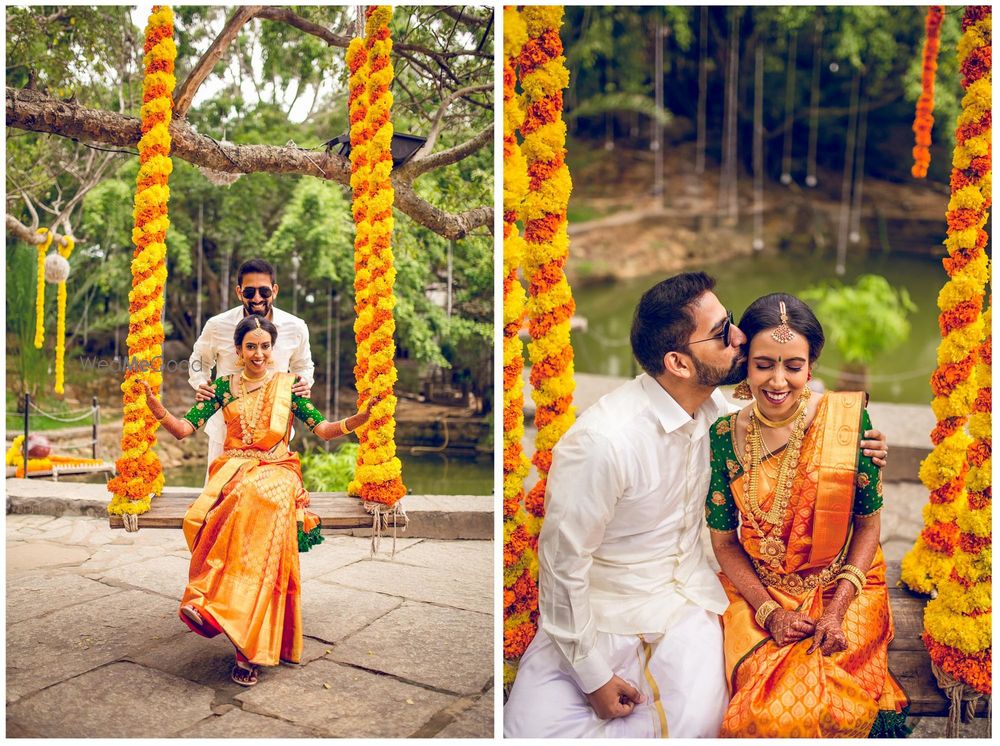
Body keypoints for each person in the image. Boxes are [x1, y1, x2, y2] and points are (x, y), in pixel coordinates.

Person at [503, 273, 888, 737]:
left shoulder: (719, 416)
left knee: (700, 725)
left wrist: (854, 440)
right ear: (679, 363)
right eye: (724, 331)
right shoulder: (603, 443)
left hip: (687, 609)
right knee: (529, 730)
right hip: (600, 617)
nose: (740, 337)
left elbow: (793, 405)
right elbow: (562, 565)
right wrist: (592, 676)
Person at [706, 293, 909, 737]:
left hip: (842, 587)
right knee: (761, 706)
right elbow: (723, 542)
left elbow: (868, 527)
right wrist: (767, 611)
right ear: (745, 364)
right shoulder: (723, 435)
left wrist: (835, 612)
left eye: (793, 366)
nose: (778, 380)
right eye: (764, 364)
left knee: (829, 701)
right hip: (757, 594)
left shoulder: (845, 422)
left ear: (810, 367)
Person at [141, 314, 372, 686]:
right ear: (238, 351)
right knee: (234, 499)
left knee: (256, 496)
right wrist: (157, 409)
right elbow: (184, 430)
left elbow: (325, 431)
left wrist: (358, 419)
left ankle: (237, 632)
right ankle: (215, 605)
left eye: (265, 346)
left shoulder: (288, 386)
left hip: (278, 470)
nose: (259, 353)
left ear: (273, 349)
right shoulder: (222, 387)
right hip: (233, 472)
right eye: (251, 346)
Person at [189, 258, 315, 474]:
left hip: (274, 435)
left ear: (274, 290)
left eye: (264, 291)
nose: (257, 298)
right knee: (217, 499)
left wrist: (303, 382)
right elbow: (199, 359)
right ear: (239, 292)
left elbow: (303, 365)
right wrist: (201, 382)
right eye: (249, 292)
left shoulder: (296, 327)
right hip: (225, 432)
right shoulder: (218, 326)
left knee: (270, 502)